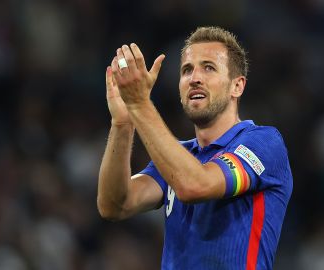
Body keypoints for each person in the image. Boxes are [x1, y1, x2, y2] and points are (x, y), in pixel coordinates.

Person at [97, 26, 293, 270]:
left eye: (208, 67)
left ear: (237, 86)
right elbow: (115, 204)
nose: (194, 78)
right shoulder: (177, 156)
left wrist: (139, 104)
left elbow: (196, 185)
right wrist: (123, 122)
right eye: (187, 70)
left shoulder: (263, 143)